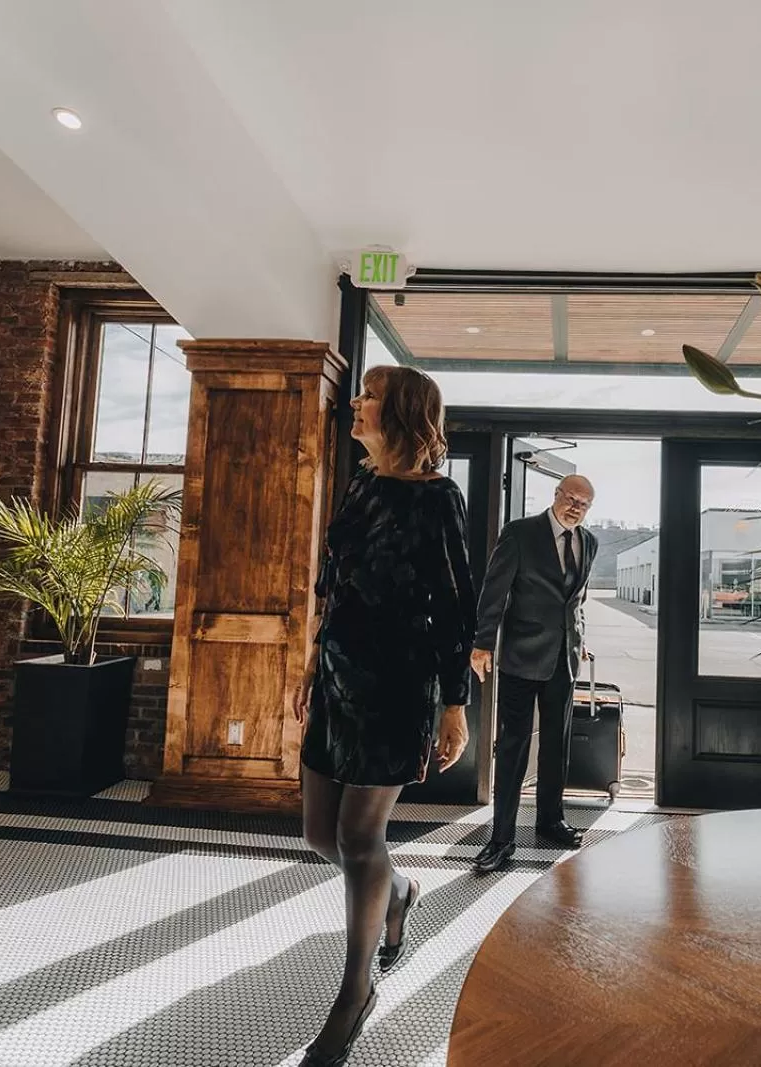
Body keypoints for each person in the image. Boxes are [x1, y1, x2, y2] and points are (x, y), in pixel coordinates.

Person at [293, 365, 475, 1066]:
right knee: (318, 833)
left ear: (401, 412)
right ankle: (398, 890)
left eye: (368, 394)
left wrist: (454, 704)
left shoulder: (439, 500)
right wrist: (314, 659)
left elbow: (457, 609)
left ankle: (353, 994)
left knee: (359, 836)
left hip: (399, 687)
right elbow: (332, 580)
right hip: (337, 677)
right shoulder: (362, 480)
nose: (356, 402)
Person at [469, 474, 597, 874]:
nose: (576, 507)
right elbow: (494, 590)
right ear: (556, 495)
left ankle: (550, 820)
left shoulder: (589, 541)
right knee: (513, 747)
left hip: (564, 659)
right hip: (521, 658)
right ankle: (501, 839)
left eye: (584, 503)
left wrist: (578, 638)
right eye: (571, 497)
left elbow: (576, 600)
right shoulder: (521, 533)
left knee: (556, 747)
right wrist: (483, 642)